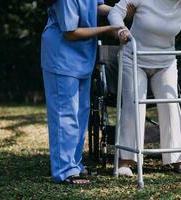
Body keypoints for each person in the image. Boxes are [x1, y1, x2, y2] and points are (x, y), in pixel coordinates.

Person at [108, 0, 181, 176]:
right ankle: (125, 161)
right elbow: (115, 12)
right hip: (134, 57)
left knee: (171, 105)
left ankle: (178, 160)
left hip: (165, 60)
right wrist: (121, 29)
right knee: (134, 104)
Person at [41, 0, 123, 184]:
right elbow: (70, 32)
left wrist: (122, 11)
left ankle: (74, 164)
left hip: (82, 58)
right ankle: (65, 170)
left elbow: (95, 6)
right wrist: (107, 29)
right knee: (65, 114)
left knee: (81, 113)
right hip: (61, 57)